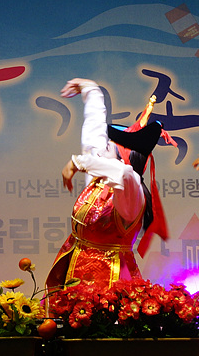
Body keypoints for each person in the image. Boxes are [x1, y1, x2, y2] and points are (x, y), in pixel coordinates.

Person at [45, 77, 171, 295]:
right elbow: (93, 133)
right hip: (75, 271)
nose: (99, 150)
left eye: (107, 147)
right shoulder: (100, 178)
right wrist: (90, 89)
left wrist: (79, 162)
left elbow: (123, 173)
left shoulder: (132, 191)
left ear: (123, 158)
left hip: (111, 280)